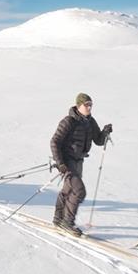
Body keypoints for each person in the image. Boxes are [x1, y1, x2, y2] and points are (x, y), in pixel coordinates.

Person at [50, 93, 113, 235]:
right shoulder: (68, 121)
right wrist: (60, 163)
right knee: (79, 191)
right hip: (67, 162)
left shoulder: (90, 121)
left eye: (91, 104)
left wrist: (105, 132)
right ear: (79, 105)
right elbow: (55, 142)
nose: (89, 107)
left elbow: (98, 140)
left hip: (79, 161)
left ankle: (58, 218)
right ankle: (67, 223)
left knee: (68, 190)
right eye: (87, 105)